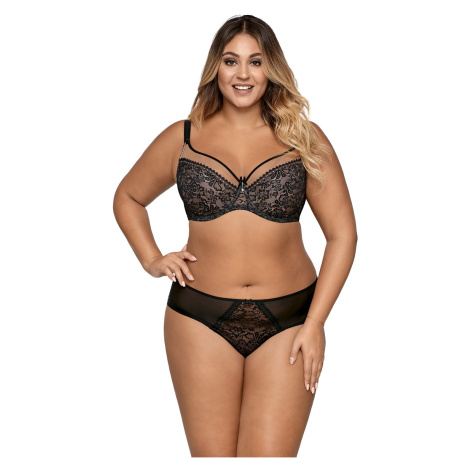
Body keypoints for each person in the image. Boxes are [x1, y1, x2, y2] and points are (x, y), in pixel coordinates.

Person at [113, 14, 357, 457]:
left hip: (290, 319)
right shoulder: (183, 137)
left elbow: (343, 235)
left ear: (271, 68)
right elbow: (128, 197)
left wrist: (316, 323)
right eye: (231, 61)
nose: (243, 74)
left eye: (255, 62)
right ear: (216, 67)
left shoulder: (304, 139)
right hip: (198, 319)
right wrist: (151, 259)